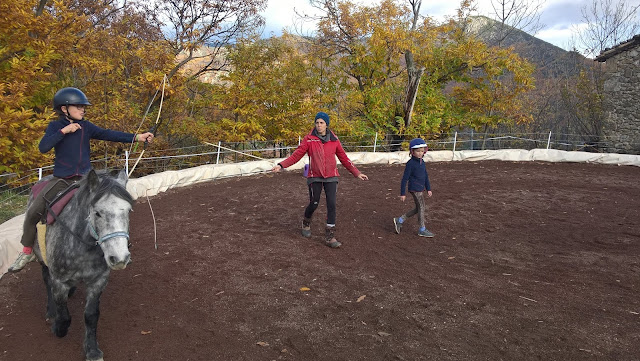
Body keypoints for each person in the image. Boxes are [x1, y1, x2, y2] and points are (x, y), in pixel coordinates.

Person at [8, 87, 154, 273]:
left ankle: (119, 249)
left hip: (87, 181)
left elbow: (108, 134)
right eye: (78, 106)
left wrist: (137, 137)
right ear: (64, 109)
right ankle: (27, 251)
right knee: (34, 211)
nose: (83, 110)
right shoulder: (55, 127)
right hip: (61, 180)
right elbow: (43, 147)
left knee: (112, 209)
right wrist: (64, 131)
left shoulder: (87, 127)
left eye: (83, 107)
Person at [271, 111, 368, 248]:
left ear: (326, 125)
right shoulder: (309, 139)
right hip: (314, 176)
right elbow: (296, 155)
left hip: (331, 176)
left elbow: (344, 158)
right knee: (314, 203)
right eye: (317, 123)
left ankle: (330, 235)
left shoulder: (334, 140)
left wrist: (356, 173)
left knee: (332, 204)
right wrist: (281, 165)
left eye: (321, 123)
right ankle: (306, 222)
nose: (319, 125)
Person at [393, 138, 434, 237]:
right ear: (412, 151)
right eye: (417, 151)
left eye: (422, 151)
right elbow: (404, 179)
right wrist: (402, 193)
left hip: (420, 188)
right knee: (422, 207)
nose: (420, 153)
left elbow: (425, 176)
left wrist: (428, 188)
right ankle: (422, 228)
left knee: (418, 208)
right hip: (415, 189)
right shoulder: (410, 164)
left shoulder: (422, 162)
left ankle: (400, 220)